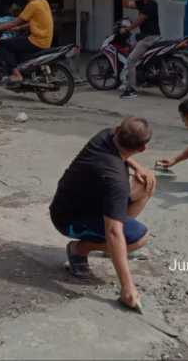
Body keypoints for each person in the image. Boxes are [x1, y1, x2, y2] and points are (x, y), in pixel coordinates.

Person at [50, 117, 156, 308]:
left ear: (117, 130)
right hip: (68, 218)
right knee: (140, 238)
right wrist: (127, 288)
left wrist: (139, 167)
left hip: (84, 201)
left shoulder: (105, 136)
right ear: (142, 149)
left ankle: (115, 250)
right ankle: (78, 250)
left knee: (147, 185)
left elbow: (125, 156)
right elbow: (114, 231)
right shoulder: (116, 180)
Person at [0, 0, 53, 83]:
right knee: (16, 41)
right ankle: (21, 70)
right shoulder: (43, 2)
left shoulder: (32, 5)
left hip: (37, 41)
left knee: (3, 44)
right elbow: (36, 22)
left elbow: (15, 21)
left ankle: (16, 74)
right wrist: (19, 28)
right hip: (45, 40)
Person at [119, 0, 161, 99]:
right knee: (133, 45)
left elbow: (139, 20)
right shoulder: (141, 2)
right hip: (145, 36)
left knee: (131, 60)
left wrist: (127, 29)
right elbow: (126, 4)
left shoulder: (151, 4)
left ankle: (132, 89)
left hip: (149, 37)